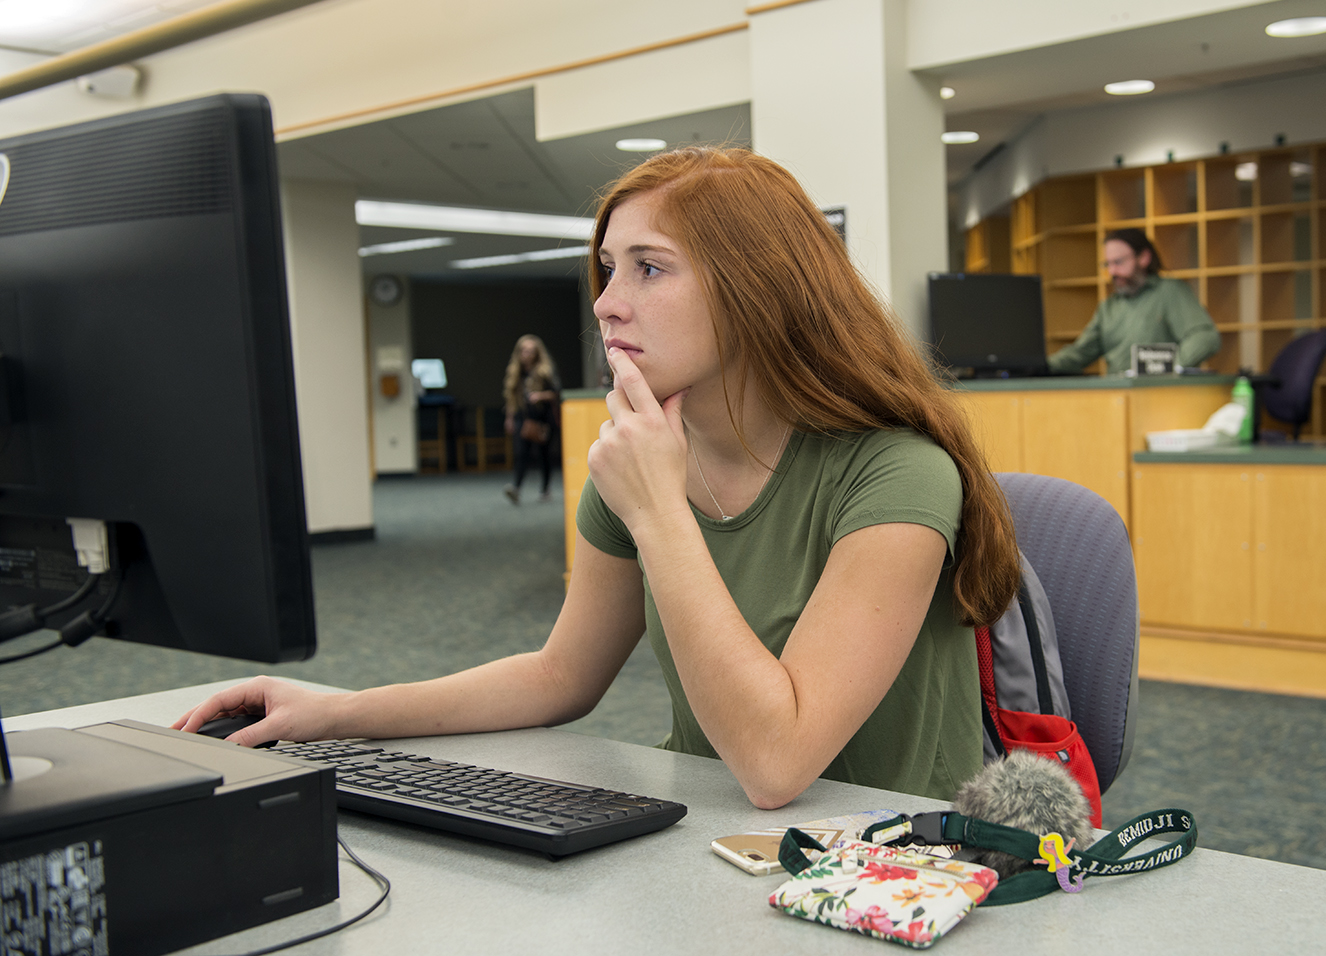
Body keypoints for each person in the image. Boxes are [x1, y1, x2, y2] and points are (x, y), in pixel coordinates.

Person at [175, 147, 1021, 809]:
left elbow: (777, 760)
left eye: (649, 268)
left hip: (882, 866)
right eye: (609, 269)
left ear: (758, 291)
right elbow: (560, 676)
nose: (607, 301)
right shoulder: (644, 460)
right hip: (720, 846)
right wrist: (334, 713)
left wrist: (659, 512)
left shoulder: (898, 472)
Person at [1047, 228, 1221, 374]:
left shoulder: (1169, 292)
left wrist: (1164, 369)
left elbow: (1204, 338)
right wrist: (1039, 366)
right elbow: (1080, 353)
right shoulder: (1108, 307)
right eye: (1108, 264)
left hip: (1161, 397)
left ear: (1143, 258)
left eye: (1119, 262)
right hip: (1118, 400)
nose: (1112, 272)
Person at [503, 334, 560, 503]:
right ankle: (516, 488)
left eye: (531, 351)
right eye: (524, 351)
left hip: (542, 417)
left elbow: (557, 393)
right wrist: (509, 418)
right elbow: (510, 397)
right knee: (521, 452)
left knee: (543, 455)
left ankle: (545, 489)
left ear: (537, 353)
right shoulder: (515, 373)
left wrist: (540, 396)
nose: (527, 354)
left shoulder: (545, 371)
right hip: (522, 416)